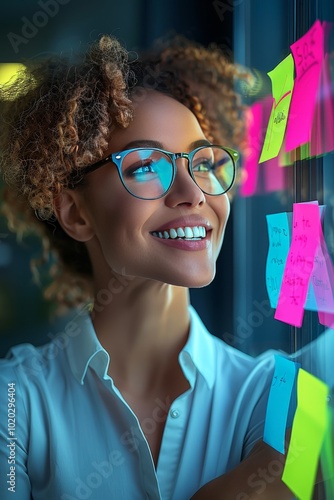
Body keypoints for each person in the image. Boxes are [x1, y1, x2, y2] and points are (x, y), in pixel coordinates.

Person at [0, 35, 294, 499]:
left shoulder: (279, 394)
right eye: (144, 167)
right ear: (76, 213)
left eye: (202, 161)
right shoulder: (13, 401)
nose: (194, 192)